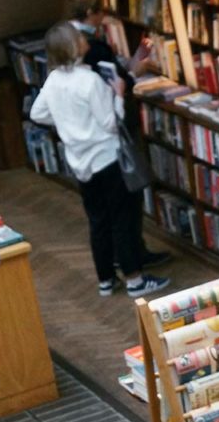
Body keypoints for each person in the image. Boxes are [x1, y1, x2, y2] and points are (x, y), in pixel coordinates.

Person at [30, 22, 171, 298]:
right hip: (107, 158)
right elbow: (109, 122)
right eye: (79, 38)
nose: (84, 40)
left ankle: (105, 279)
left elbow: (37, 113)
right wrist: (118, 94)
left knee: (98, 220)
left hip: (80, 161)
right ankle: (135, 280)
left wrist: (66, 124)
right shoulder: (90, 81)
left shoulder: (54, 80)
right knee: (123, 218)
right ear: (74, 46)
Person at [70, 0, 172, 269]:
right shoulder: (92, 46)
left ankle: (122, 258)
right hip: (110, 135)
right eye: (102, 11)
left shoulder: (67, 39)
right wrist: (133, 72)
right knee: (126, 199)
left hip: (84, 144)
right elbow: (115, 83)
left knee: (103, 211)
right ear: (92, 12)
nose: (105, 17)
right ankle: (131, 260)